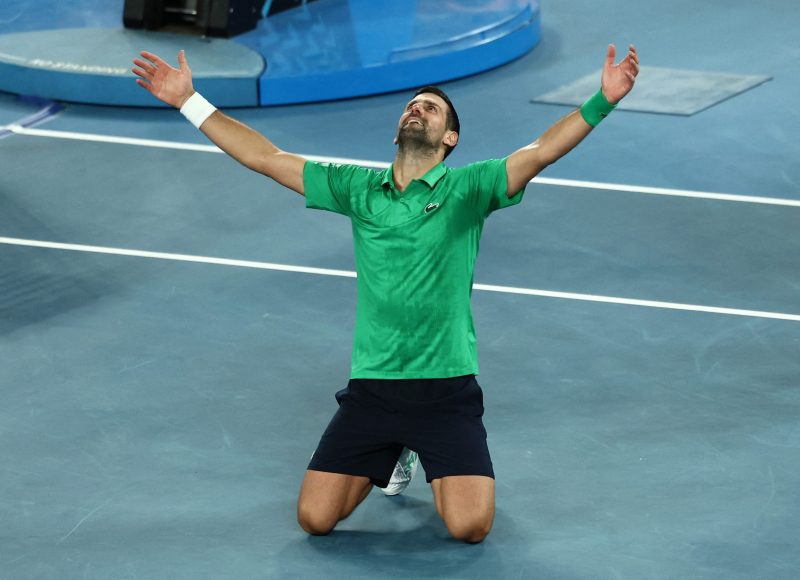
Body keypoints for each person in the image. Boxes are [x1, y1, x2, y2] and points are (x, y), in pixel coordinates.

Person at [132, 43, 639, 543]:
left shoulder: (469, 189)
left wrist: (604, 100)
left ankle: (414, 447)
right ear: (397, 130)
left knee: (469, 527)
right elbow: (265, 157)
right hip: (373, 389)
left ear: (450, 138)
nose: (417, 109)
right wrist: (188, 101)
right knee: (314, 519)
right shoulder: (357, 188)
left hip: (446, 391)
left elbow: (541, 150)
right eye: (412, 106)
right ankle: (395, 450)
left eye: (431, 108)